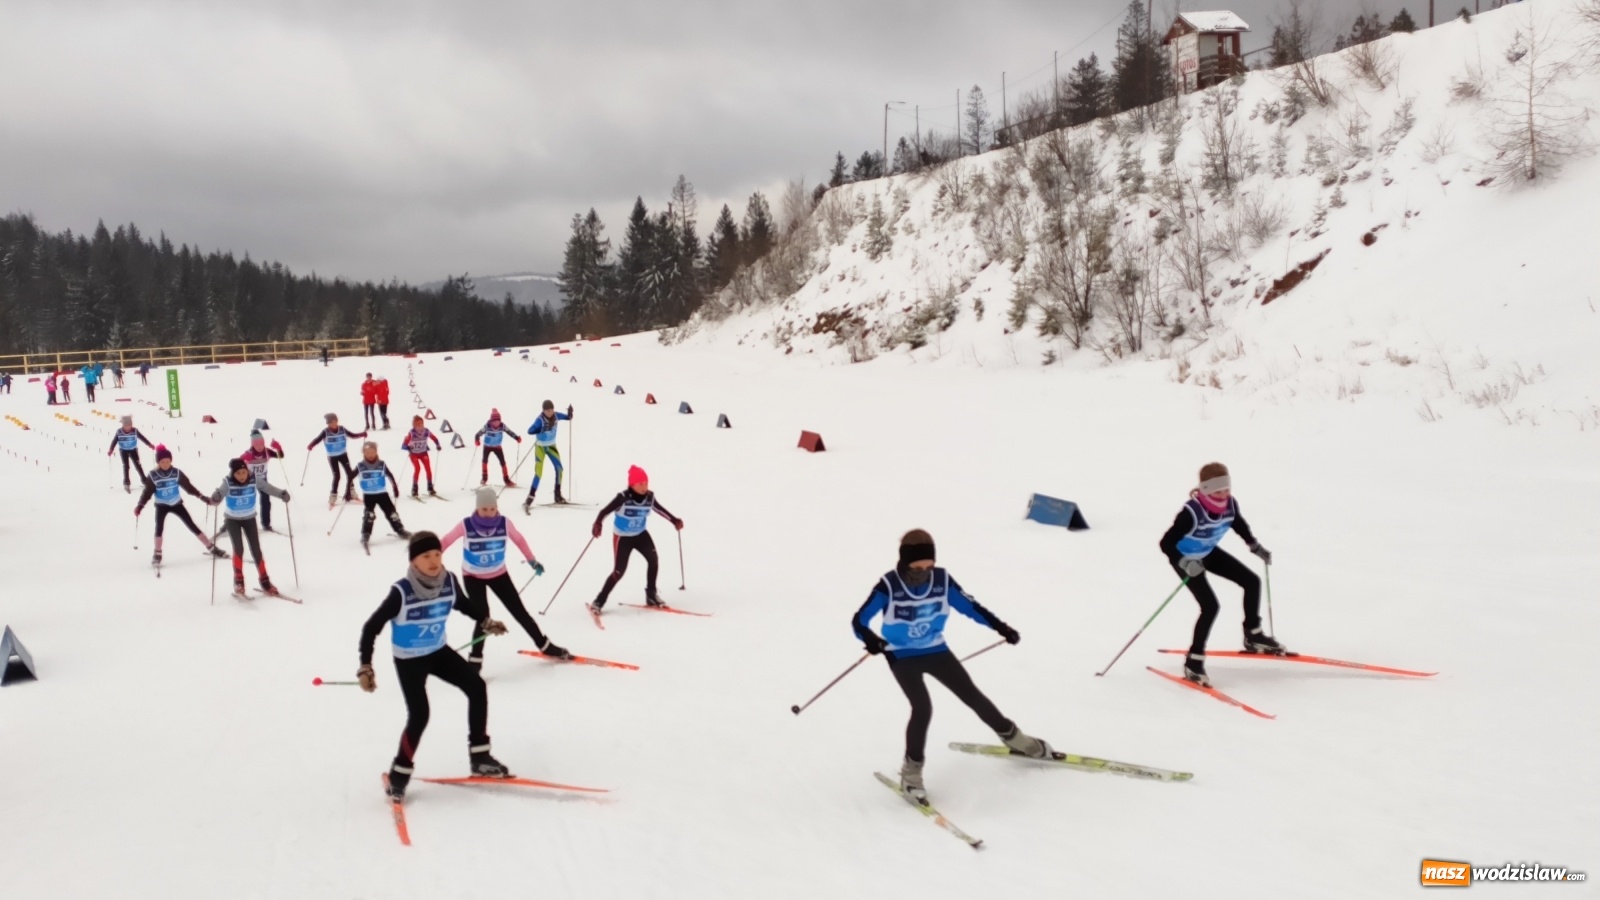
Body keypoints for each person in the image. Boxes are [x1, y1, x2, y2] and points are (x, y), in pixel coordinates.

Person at [852, 528, 1053, 805]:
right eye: (917, 566)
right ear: (904, 561)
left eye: (929, 566)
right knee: (922, 708)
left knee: (974, 697)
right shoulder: (889, 585)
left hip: (936, 650)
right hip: (901, 655)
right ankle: (911, 774)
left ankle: (1015, 740)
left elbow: (971, 607)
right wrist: (871, 639)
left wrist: (1001, 627)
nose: (924, 571)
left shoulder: (942, 581)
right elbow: (859, 620)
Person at [357, 531, 513, 802]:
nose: (433, 561)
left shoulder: (449, 581)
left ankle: (480, 756)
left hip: (438, 651)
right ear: (413, 561)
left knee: (476, 687)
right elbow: (371, 627)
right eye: (425, 556)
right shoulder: (401, 592)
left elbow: (463, 604)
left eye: (437, 554)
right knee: (420, 714)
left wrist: (485, 621)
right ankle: (398, 775)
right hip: (409, 659)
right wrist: (365, 666)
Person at [1159, 461, 1281, 689]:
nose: (1223, 495)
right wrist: (1184, 561)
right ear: (1204, 490)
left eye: (1226, 489)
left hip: (1208, 552)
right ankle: (1194, 662)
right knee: (1210, 606)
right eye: (1218, 491)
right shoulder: (1191, 512)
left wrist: (1254, 546)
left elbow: (1238, 524)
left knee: (1251, 581)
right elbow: (1166, 543)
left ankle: (1253, 635)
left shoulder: (1229, 504)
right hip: (1186, 559)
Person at [442, 487, 568, 668]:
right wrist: (430, 559)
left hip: (498, 574)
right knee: (483, 617)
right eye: (484, 509)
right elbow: (445, 541)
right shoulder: (466, 525)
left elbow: (519, 540)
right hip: (472, 576)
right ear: (477, 508)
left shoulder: (504, 523)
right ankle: (475, 661)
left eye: (492, 509)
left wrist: (532, 561)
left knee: (519, 612)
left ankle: (545, 645)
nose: (488, 513)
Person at [587, 466, 682, 618]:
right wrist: (598, 524)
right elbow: (604, 511)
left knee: (653, 560)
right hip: (623, 537)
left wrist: (674, 520)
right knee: (619, 572)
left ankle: (651, 594)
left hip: (640, 534)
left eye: (646, 483)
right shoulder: (623, 497)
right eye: (640, 484)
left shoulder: (649, 497)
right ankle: (598, 601)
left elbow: (659, 509)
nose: (644, 487)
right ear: (632, 485)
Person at [135, 445, 228, 566]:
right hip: (161, 505)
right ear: (158, 462)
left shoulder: (176, 473)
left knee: (191, 525)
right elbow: (147, 493)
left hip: (176, 503)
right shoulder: (153, 475)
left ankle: (211, 547)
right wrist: (140, 506)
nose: (165, 464)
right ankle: (157, 553)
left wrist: (203, 497)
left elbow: (189, 488)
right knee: (159, 528)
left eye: (167, 461)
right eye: (162, 462)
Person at [210, 456, 290, 597]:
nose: (241, 476)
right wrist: (216, 496)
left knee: (256, 550)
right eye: (238, 473)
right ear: (233, 474)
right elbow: (219, 494)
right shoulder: (227, 483)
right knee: (238, 549)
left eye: (243, 472)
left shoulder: (254, 479)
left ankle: (265, 581)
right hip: (232, 520)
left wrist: (281, 494)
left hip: (249, 518)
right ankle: (239, 581)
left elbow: (267, 487)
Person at [354, 440, 410, 550]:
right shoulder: (360, 466)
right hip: (369, 495)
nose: (370, 455)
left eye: (372, 452)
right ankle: (365, 534)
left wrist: (395, 488)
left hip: (382, 494)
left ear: (376, 452)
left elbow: (390, 475)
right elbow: (351, 477)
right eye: (367, 453)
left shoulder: (381, 464)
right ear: (363, 454)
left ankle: (400, 530)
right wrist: (348, 490)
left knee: (392, 513)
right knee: (369, 515)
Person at [306, 412, 367, 506]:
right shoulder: (325, 432)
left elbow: (352, 435)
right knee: (337, 476)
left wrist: (361, 434)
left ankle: (351, 493)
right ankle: (333, 496)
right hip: (332, 457)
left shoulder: (342, 429)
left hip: (343, 455)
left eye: (335, 422)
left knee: (350, 474)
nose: (334, 424)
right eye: (331, 423)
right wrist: (311, 445)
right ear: (328, 423)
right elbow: (317, 439)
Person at [521, 400, 572, 512]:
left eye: (551, 409)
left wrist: (570, 413)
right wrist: (540, 429)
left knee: (559, 469)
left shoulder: (556, 415)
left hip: (552, 446)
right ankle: (530, 497)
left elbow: (568, 418)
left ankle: (557, 495)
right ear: (543, 410)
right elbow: (529, 431)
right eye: (547, 410)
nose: (549, 412)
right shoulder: (540, 420)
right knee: (539, 473)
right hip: (541, 448)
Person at [239, 430, 286, 532]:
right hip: (249, 481)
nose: (260, 446)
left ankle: (266, 524)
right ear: (253, 444)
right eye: (257, 444)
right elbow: (237, 464)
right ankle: (234, 523)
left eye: (262, 443)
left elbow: (280, 456)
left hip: (263, 481)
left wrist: (278, 448)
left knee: (266, 501)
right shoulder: (248, 454)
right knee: (244, 501)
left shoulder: (267, 452)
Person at [107, 414, 156, 491]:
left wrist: (149, 444)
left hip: (133, 450)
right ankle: (126, 482)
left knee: (138, 465)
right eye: (126, 426)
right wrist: (111, 449)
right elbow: (114, 441)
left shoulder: (135, 431)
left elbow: (142, 438)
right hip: (123, 451)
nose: (128, 427)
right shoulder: (119, 432)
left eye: (129, 425)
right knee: (126, 466)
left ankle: (144, 480)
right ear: (123, 425)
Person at [473, 409, 520, 487]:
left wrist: (517, 438)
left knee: (503, 462)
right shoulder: (487, 426)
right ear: (491, 421)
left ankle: (506, 479)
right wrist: (477, 440)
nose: (496, 423)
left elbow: (509, 432)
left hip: (497, 447)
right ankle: (484, 478)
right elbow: (477, 434)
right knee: (485, 461)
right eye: (494, 421)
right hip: (487, 446)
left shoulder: (502, 426)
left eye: (498, 421)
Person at [400, 415, 442, 498]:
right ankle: (414, 488)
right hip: (414, 454)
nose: (420, 427)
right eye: (418, 425)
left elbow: (434, 438)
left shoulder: (426, 431)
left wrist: (438, 445)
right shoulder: (412, 433)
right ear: (414, 426)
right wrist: (408, 447)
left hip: (423, 453)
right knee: (417, 468)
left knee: (428, 469)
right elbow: (403, 445)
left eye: (421, 424)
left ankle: (430, 487)